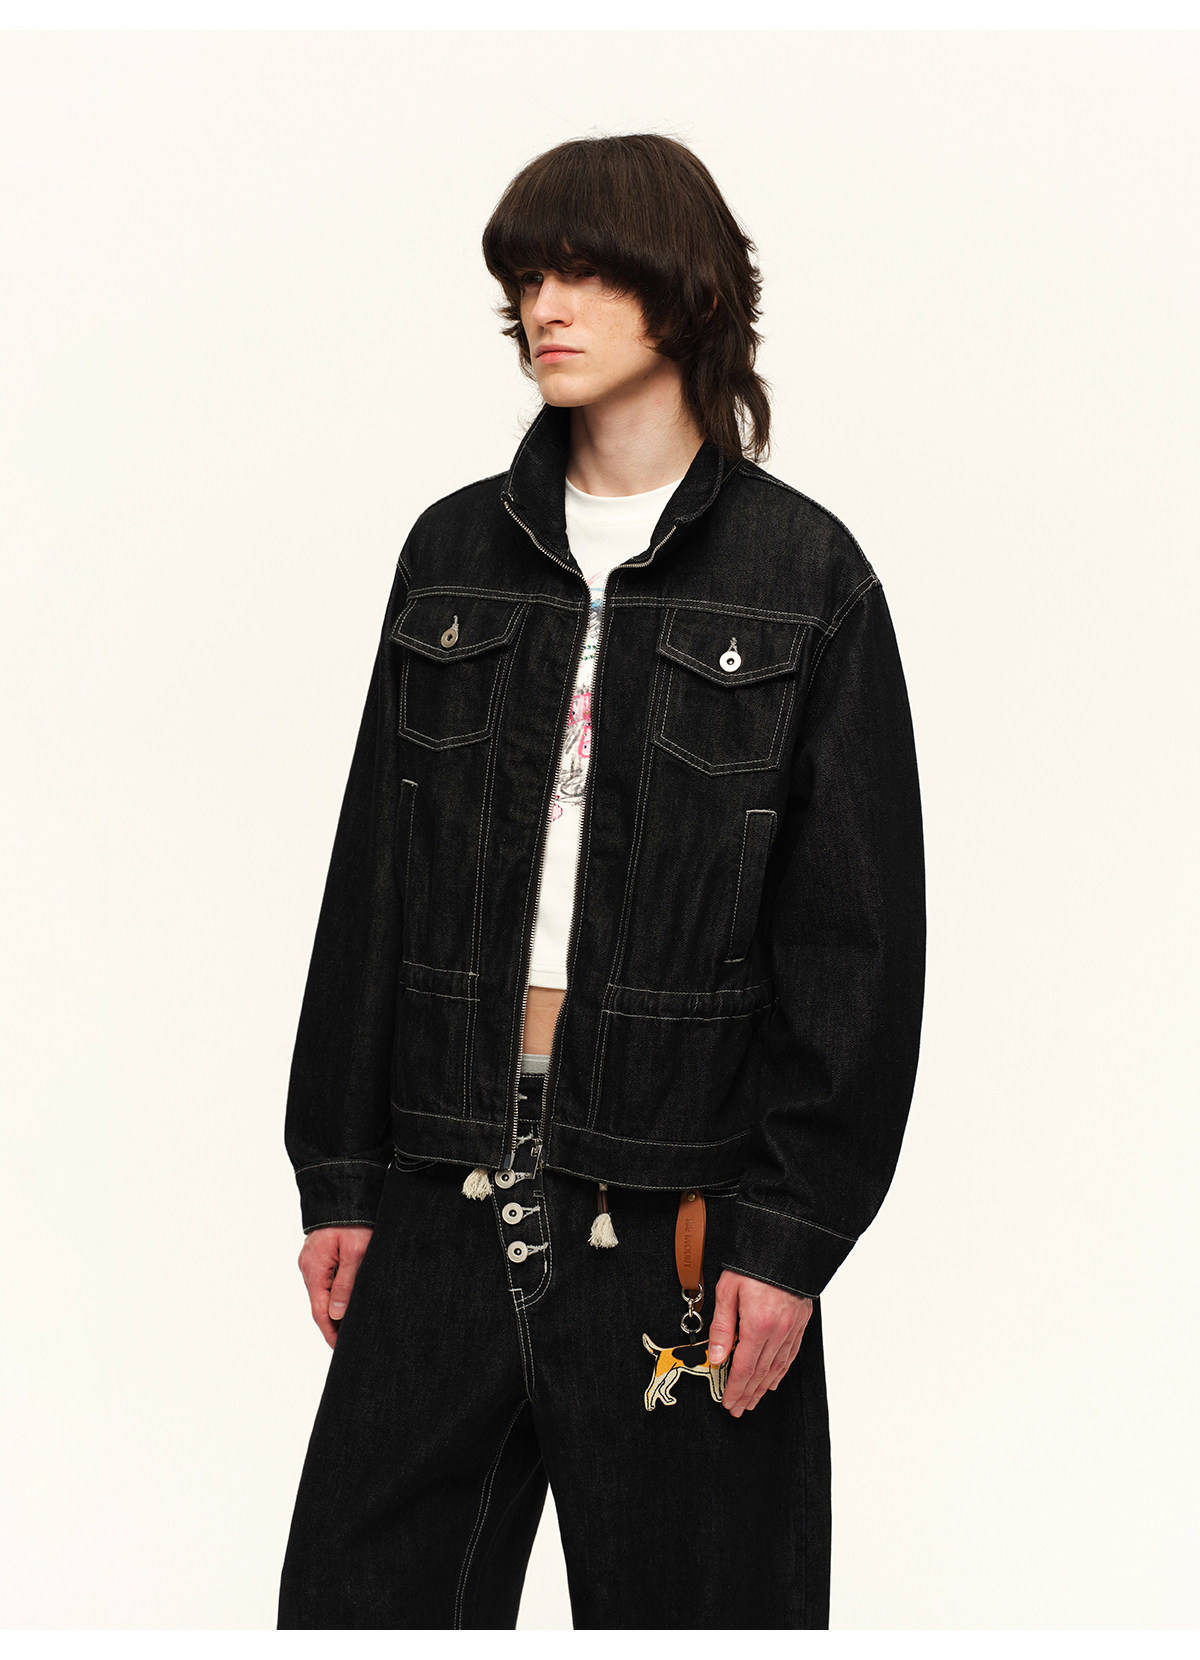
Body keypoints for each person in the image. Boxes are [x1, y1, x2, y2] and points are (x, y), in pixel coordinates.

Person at [276, 132, 925, 1631]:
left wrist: (792, 1235)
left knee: (702, 1620)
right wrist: (340, 1173)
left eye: (582, 271)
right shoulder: (454, 552)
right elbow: (374, 877)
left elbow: (855, 942)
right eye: (525, 277)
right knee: (357, 1609)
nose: (544, 307)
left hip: (680, 1216)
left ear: (683, 291)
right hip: (442, 1184)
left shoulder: (804, 579)